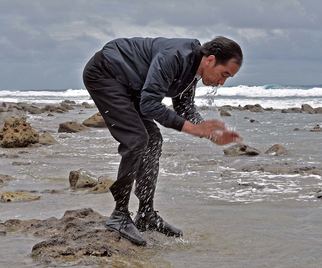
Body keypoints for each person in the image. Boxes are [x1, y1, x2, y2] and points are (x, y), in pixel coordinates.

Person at [82, 36, 243, 245]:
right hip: (105, 75)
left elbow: (184, 107)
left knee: (154, 140)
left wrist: (211, 134)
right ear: (210, 60)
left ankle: (146, 214)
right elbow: (149, 105)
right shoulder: (174, 57)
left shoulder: (194, 68)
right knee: (137, 139)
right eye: (224, 75)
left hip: (131, 86)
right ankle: (119, 215)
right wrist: (193, 129)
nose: (221, 82)